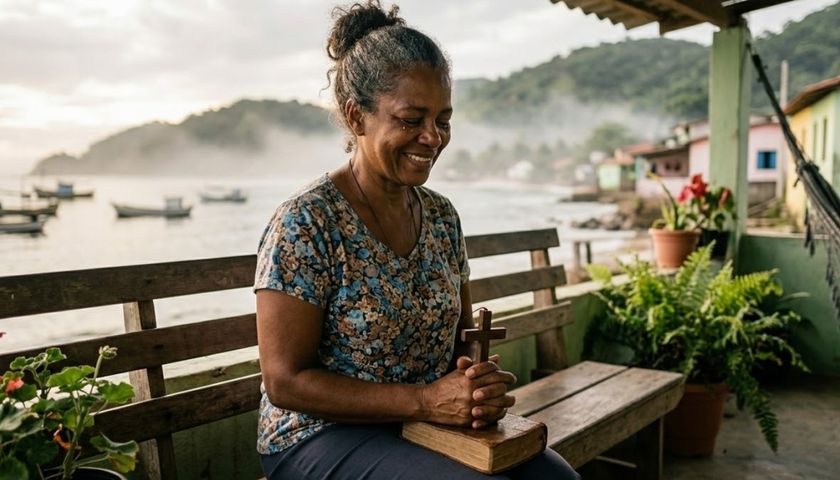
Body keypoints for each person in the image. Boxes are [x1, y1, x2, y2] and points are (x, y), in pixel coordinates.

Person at [254, 2, 580, 479]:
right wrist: (426, 400)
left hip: (419, 423)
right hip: (317, 435)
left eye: (443, 120)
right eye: (411, 120)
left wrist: (475, 387)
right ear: (356, 116)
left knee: (557, 479)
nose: (432, 138)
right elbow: (284, 382)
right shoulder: (307, 222)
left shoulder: (442, 216)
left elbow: (461, 345)